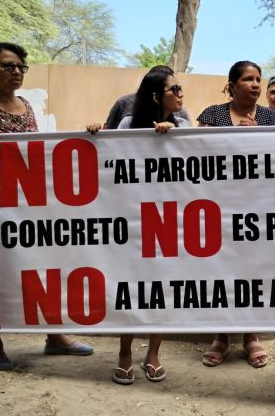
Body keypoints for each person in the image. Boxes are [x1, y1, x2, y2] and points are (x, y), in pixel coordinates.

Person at [0, 42, 93, 371]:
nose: (17, 72)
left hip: (28, 196)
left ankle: (55, 336)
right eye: (8, 66)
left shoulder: (26, 105)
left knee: (40, 262)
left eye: (22, 66)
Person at [87, 65, 188, 384]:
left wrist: (174, 137)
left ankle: (153, 354)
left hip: (171, 221)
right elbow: (108, 160)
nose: (182, 95)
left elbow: (198, 162)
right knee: (130, 287)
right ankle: (125, 353)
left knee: (163, 288)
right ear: (158, 96)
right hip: (133, 220)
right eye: (177, 89)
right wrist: (95, 134)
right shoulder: (129, 123)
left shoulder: (185, 124)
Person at [198, 60, 275, 369]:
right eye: (248, 79)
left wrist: (259, 134)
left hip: (258, 209)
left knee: (253, 272)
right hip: (220, 208)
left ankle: (251, 336)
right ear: (232, 85)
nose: (256, 84)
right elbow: (195, 156)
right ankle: (221, 336)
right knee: (223, 272)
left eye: (258, 79)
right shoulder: (212, 116)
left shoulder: (272, 119)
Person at [104, 65, 191, 129]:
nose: (181, 94)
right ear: (156, 97)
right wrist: (95, 135)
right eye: (174, 89)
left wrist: (175, 133)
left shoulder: (183, 125)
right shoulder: (127, 124)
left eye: (180, 88)